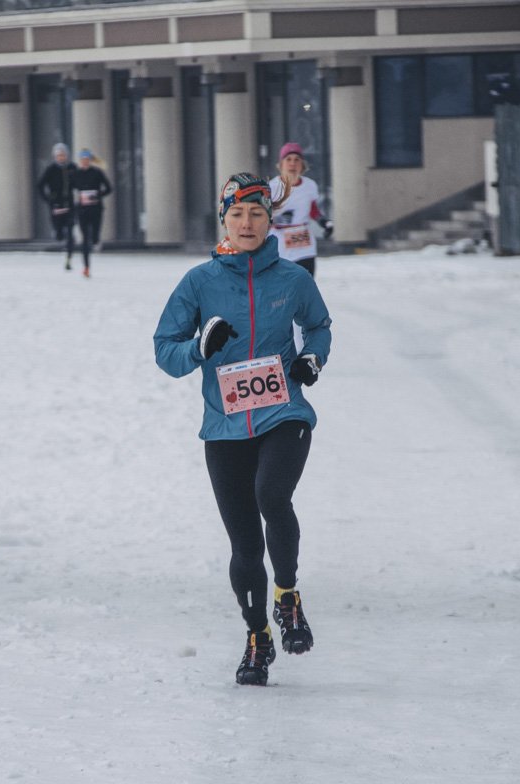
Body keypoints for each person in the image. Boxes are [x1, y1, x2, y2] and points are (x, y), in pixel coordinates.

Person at [153, 173, 333, 686]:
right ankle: (257, 637)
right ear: (225, 221)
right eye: (238, 215)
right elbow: (165, 351)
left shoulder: (293, 279)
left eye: (257, 214)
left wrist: (311, 359)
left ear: (269, 220)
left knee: (272, 495)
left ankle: (289, 596)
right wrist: (199, 349)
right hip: (225, 426)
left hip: (285, 414)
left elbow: (319, 325)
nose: (248, 223)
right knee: (244, 545)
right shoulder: (199, 283)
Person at [268, 142, 334, 277]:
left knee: (306, 283)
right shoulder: (271, 188)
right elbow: (261, 215)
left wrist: (324, 222)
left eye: (297, 160)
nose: (293, 164)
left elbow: (313, 210)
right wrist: (278, 218)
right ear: (281, 164)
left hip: (303, 242)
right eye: (288, 160)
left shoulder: (309, 186)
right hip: (279, 241)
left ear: (302, 165)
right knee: (283, 286)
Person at [71, 148, 113, 278]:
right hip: (82, 210)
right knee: (84, 239)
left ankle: (95, 241)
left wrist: (97, 195)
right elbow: (69, 188)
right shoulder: (76, 174)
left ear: (90, 160)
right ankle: (86, 267)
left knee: (94, 236)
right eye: (82, 159)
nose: (84, 162)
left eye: (87, 159)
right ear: (80, 161)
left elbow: (109, 188)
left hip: (96, 209)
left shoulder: (97, 172)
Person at [36, 143, 76, 270]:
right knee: (59, 233)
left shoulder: (72, 168)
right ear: (55, 156)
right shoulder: (51, 169)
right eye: (58, 155)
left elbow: (81, 181)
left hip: (69, 204)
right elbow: (40, 185)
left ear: (67, 155)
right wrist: (48, 199)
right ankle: (59, 233)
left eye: (63, 155)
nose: (61, 157)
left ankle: (69, 258)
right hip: (56, 205)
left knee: (70, 231)